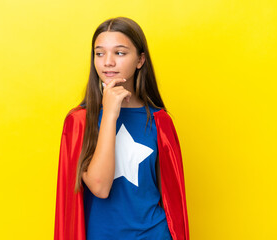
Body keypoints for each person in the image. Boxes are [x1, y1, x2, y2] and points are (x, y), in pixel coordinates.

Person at [54, 17, 189, 240]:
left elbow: (172, 198)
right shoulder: (79, 121)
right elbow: (100, 187)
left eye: (119, 53)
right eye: (100, 53)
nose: (108, 62)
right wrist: (109, 114)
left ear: (140, 60)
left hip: (154, 234)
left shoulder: (159, 121)